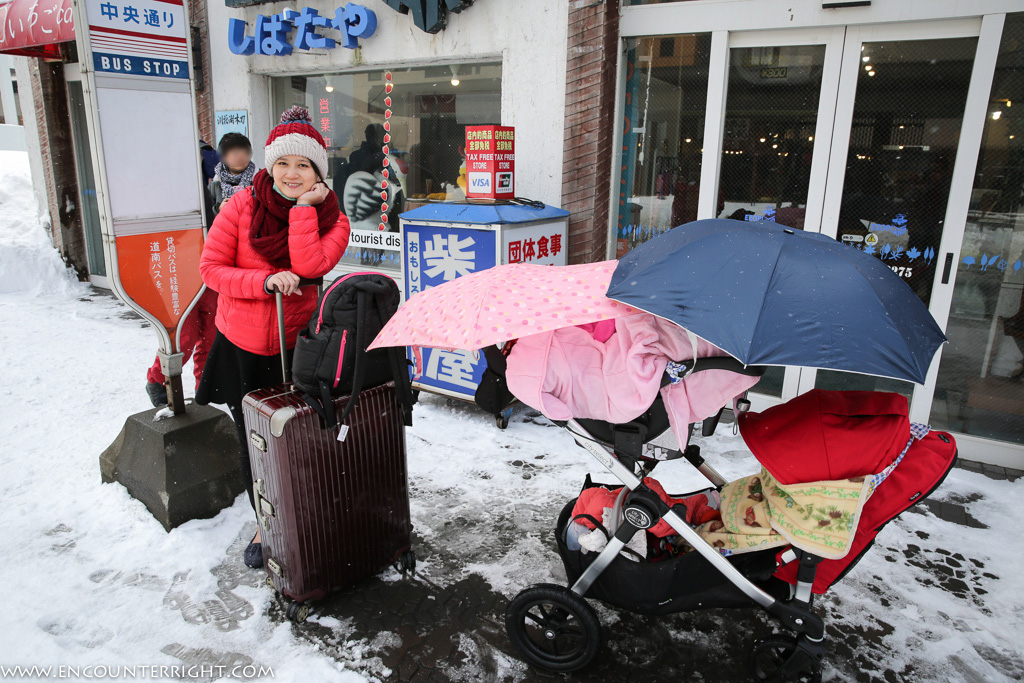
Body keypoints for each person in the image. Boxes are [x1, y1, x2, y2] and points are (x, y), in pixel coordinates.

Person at [194, 106, 351, 568]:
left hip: (296, 350)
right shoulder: (240, 206)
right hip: (240, 347)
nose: (291, 173)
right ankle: (266, 522)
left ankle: (305, 510)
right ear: (268, 164)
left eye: (303, 165)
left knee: (299, 436)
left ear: (318, 172)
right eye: (282, 163)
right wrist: (261, 283)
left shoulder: (333, 220)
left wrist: (305, 211)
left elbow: (307, 267)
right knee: (254, 440)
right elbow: (211, 269)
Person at [210, 133, 257, 216]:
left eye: (245, 153)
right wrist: (218, 210)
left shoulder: (259, 179)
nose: (240, 157)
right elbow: (207, 216)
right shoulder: (215, 184)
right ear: (224, 156)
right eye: (235, 153)